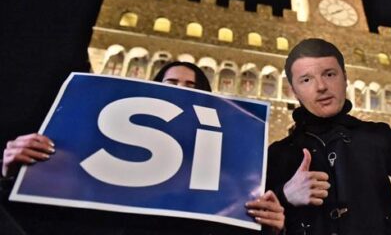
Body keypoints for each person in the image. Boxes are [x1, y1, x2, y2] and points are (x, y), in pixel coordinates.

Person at [2, 61, 283, 234]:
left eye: (192, 86)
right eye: (171, 84)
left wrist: (270, 228)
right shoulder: (94, 149)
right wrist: (15, 175)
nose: (181, 91)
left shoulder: (233, 174)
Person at [266, 38, 391, 234]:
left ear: (345, 78)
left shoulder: (379, 136)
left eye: (329, 74)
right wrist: (285, 195)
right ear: (293, 91)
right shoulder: (276, 155)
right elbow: (249, 223)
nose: (321, 86)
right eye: (306, 79)